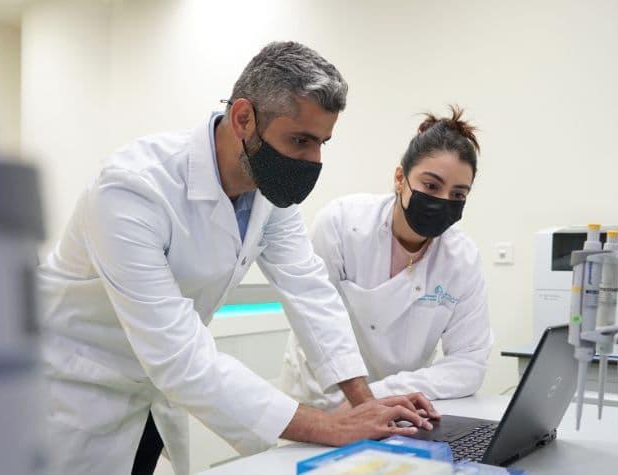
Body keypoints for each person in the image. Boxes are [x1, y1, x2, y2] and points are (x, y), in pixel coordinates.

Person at [37, 41, 435, 475]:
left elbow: (310, 293)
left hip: (152, 395)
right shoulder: (130, 191)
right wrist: (330, 426)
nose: (313, 160)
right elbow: (180, 356)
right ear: (244, 117)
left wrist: (366, 405)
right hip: (76, 393)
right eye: (300, 140)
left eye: (322, 143)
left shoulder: (269, 193)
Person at [281, 106, 494, 410]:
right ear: (399, 178)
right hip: (322, 402)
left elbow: (469, 366)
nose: (443, 200)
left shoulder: (462, 259)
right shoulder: (342, 225)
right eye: (431, 185)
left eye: (458, 194)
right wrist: (358, 401)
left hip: (399, 408)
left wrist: (384, 393)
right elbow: (315, 324)